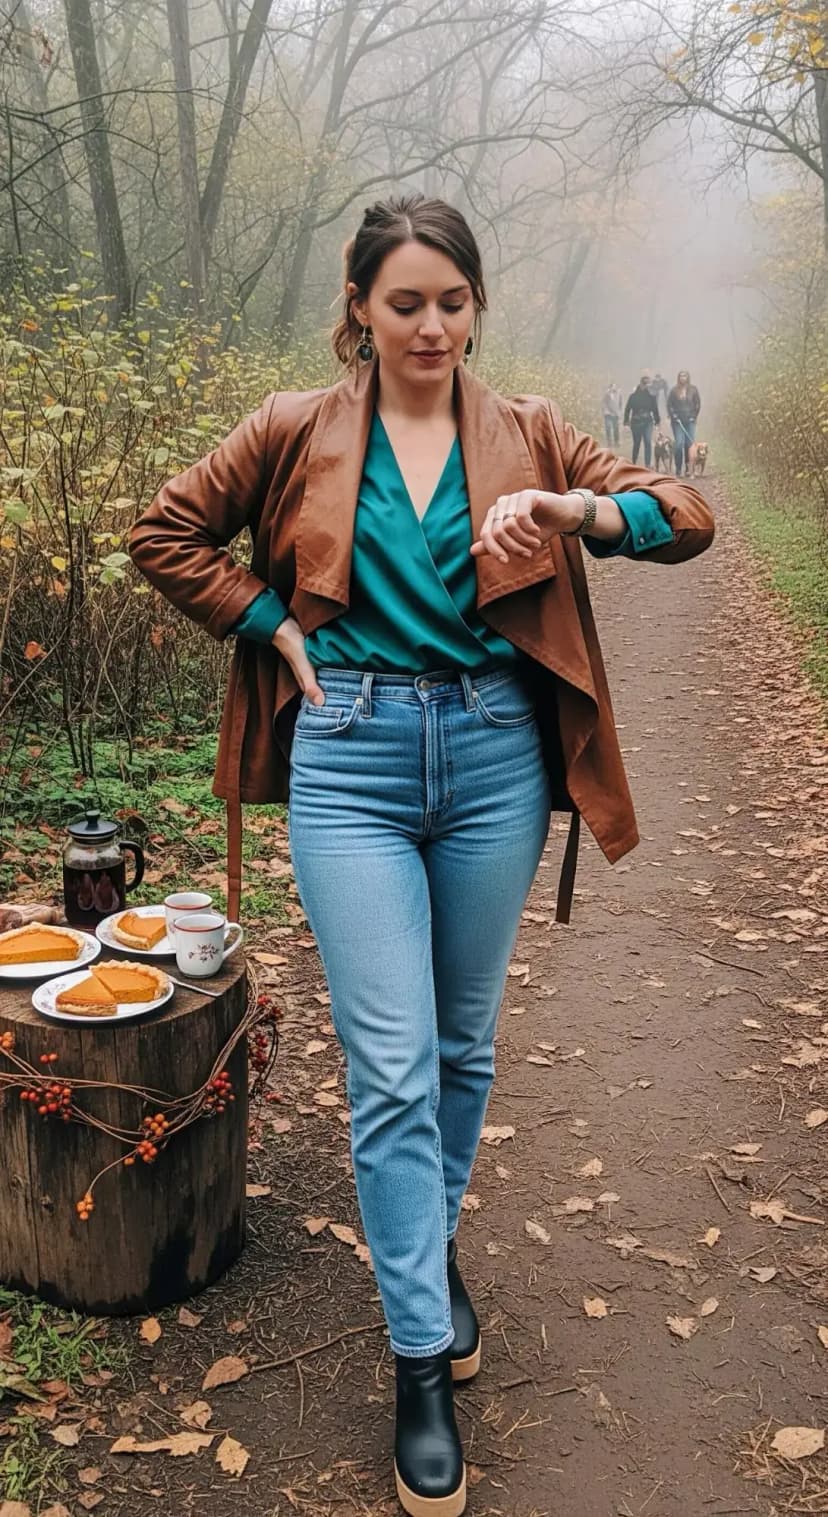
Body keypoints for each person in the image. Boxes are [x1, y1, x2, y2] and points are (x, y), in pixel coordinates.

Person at [129, 195, 714, 1517]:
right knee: (390, 1064)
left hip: (498, 756)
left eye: (454, 300)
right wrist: (271, 620)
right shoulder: (294, 427)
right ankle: (418, 1364)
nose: (434, 326)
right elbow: (165, 532)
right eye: (407, 303)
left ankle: (422, 1246)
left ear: (476, 305)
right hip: (351, 759)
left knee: (461, 1046)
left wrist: (578, 509)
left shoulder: (529, 434)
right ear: (360, 308)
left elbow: (685, 516)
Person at [668, 369, 702, 476]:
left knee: (689, 444)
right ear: (678, 378)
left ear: (688, 377)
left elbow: (697, 404)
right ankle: (678, 467)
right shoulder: (674, 391)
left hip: (690, 420)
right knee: (678, 444)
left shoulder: (693, 389)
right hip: (677, 421)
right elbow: (669, 405)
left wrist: (694, 416)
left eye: (685, 376)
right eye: (681, 376)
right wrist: (674, 416)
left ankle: (688, 466)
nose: (683, 378)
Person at [623, 373, 661, 466]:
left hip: (647, 421)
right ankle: (634, 462)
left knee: (648, 441)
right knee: (637, 443)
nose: (646, 386)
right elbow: (627, 409)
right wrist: (626, 422)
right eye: (645, 384)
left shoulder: (651, 397)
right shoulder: (633, 396)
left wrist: (657, 422)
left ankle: (647, 464)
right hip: (636, 422)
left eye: (647, 384)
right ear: (641, 384)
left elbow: (655, 409)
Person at [601, 380, 623, 447]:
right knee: (608, 427)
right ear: (610, 387)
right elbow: (604, 403)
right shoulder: (606, 394)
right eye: (612, 387)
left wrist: (619, 412)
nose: (614, 388)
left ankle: (616, 442)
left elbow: (620, 404)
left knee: (616, 428)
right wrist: (606, 411)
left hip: (615, 414)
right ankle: (609, 442)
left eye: (615, 387)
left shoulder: (619, 394)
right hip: (608, 414)